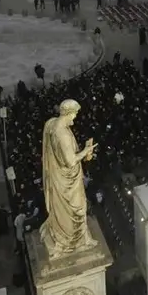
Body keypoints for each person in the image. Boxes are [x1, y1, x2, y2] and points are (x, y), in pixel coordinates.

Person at [39, 99, 98, 258]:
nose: (76, 117)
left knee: (65, 208)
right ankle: (75, 240)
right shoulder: (62, 133)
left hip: (59, 177)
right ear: (69, 113)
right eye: (75, 113)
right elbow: (71, 160)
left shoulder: (52, 124)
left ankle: (79, 237)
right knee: (77, 209)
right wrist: (85, 151)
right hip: (67, 182)